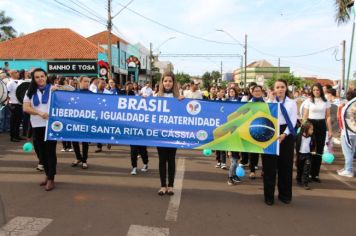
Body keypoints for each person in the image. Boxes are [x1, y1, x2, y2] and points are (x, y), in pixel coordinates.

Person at [263, 79, 298, 206]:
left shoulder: (292, 103)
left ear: (286, 88)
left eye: (282, 87)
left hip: (286, 134)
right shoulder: (269, 102)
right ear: (274, 89)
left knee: (285, 166)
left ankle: (285, 195)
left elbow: (293, 121)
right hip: (270, 131)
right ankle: (269, 196)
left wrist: (284, 134)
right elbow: (264, 115)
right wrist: (271, 100)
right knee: (269, 166)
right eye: (277, 87)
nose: (280, 89)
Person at [23, 68, 57, 191]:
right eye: (37, 77)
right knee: (40, 152)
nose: (40, 79)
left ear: (46, 76)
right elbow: (26, 108)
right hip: (37, 125)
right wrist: (39, 113)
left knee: (50, 152)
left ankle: (51, 178)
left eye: (42, 76)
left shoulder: (53, 89)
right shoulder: (30, 91)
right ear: (34, 79)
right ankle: (48, 175)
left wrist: (60, 90)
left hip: (51, 126)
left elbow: (70, 91)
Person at [156, 71, 183, 196]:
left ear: (174, 83)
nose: (167, 83)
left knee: (171, 159)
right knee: (162, 159)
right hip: (160, 133)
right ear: (162, 82)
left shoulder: (178, 98)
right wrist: (144, 100)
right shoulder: (156, 97)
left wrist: (183, 102)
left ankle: (171, 186)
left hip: (173, 133)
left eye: (170, 81)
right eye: (165, 81)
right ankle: (162, 186)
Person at [303, 83, 332, 183]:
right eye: (314, 90)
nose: (316, 91)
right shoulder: (308, 101)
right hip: (311, 125)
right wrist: (304, 128)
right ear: (312, 91)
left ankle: (315, 174)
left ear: (321, 91)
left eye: (318, 90)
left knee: (319, 150)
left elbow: (328, 116)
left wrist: (330, 130)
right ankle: (308, 173)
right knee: (310, 150)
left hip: (322, 126)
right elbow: (305, 115)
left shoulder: (326, 102)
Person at [125, 81, 149, 175]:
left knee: (142, 150)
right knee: (133, 150)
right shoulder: (127, 107)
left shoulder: (141, 101)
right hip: (132, 130)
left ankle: (145, 163)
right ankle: (134, 167)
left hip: (141, 129)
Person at [71, 76, 92, 169]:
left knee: (85, 141)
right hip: (75, 121)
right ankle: (78, 157)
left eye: (88, 82)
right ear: (80, 82)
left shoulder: (92, 94)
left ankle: (84, 160)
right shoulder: (74, 93)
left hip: (86, 121)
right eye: (85, 81)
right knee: (74, 140)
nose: (87, 83)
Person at [337, 90, 356, 178]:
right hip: (354, 133)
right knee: (351, 152)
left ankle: (349, 170)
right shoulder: (351, 106)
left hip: (347, 133)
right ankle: (347, 168)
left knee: (347, 152)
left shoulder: (346, 107)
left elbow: (341, 120)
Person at [248, 85, 265, 179]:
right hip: (253, 130)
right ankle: (252, 171)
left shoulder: (267, 103)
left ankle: (264, 170)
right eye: (255, 91)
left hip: (264, 129)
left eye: (259, 91)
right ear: (252, 92)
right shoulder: (249, 103)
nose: (257, 92)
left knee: (264, 152)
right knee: (253, 152)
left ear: (262, 92)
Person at [295, 121, 315, 190]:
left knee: (306, 170)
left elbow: (314, 145)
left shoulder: (312, 137)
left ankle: (305, 183)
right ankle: (298, 178)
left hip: (308, 155)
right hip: (300, 155)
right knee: (300, 168)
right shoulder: (299, 136)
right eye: (311, 129)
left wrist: (313, 151)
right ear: (306, 129)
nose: (312, 131)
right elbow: (295, 143)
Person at [6, 70, 24, 142]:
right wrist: (9, 103)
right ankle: (13, 137)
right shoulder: (10, 83)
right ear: (12, 74)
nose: (18, 73)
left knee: (18, 120)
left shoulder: (18, 82)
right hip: (13, 104)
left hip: (19, 104)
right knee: (14, 121)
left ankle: (17, 135)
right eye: (16, 72)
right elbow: (7, 94)